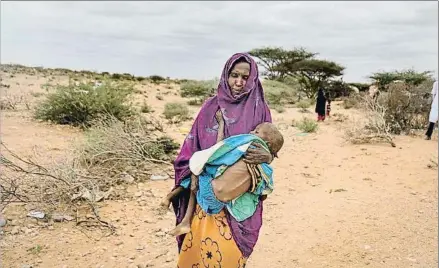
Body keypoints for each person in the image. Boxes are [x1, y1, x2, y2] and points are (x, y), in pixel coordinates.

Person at [171, 53, 274, 267]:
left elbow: (270, 147)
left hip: (240, 195)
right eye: (234, 75)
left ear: (253, 79)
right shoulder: (211, 107)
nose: (239, 82)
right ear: (225, 75)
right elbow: (191, 148)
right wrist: (193, 173)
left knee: (231, 257)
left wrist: (268, 156)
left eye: (245, 77)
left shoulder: (260, 108)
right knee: (202, 254)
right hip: (206, 196)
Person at [162, 120, 284, 237]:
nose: (251, 132)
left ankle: (179, 209)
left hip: (209, 193)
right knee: (198, 176)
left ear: (266, 144)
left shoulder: (245, 145)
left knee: (197, 171)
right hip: (221, 204)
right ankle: (184, 219)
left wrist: (221, 125)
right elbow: (264, 193)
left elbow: (219, 149)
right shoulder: (266, 169)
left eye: (256, 132)